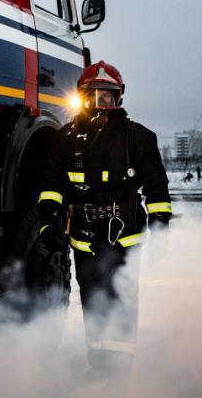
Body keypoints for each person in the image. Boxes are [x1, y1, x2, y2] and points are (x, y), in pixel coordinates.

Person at [37, 61, 171, 379]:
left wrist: (161, 225)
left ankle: (119, 371)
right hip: (84, 237)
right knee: (93, 301)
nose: (99, 104)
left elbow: (156, 184)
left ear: (119, 99)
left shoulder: (138, 138)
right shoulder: (66, 139)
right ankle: (99, 366)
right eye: (92, 97)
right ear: (81, 98)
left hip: (126, 238)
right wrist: (47, 220)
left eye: (107, 98)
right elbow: (51, 183)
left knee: (122, 299)